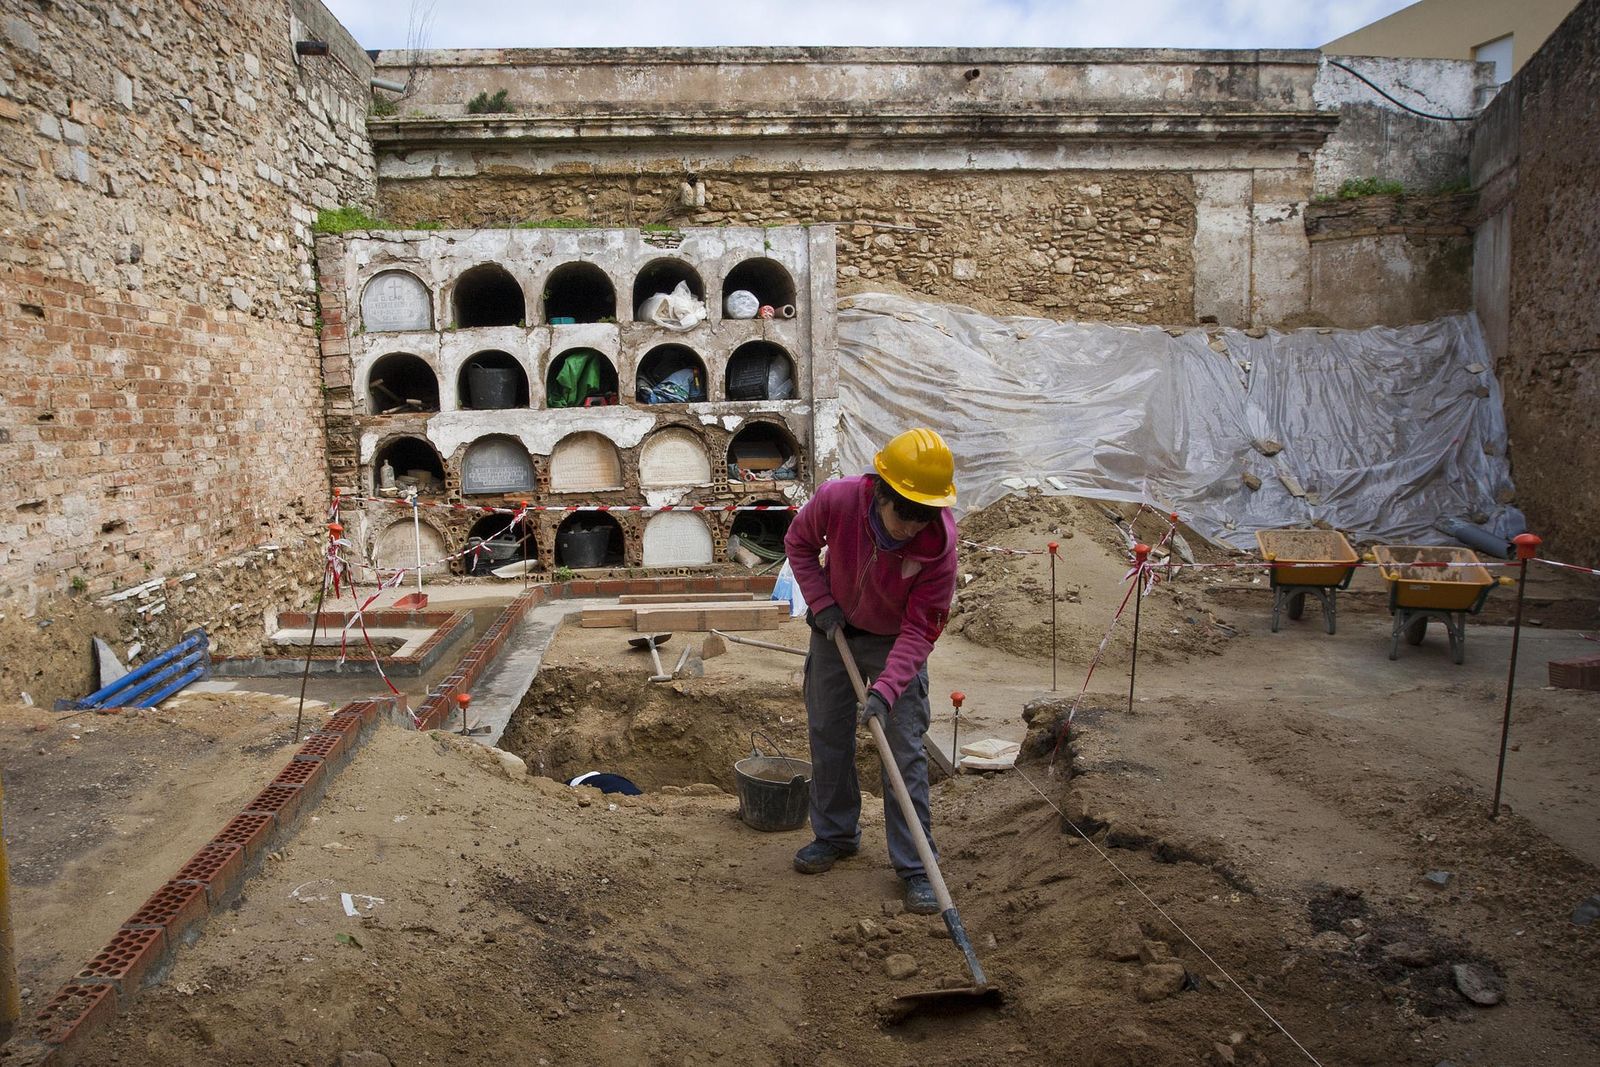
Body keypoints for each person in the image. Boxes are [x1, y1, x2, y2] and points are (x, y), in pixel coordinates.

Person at [782, 428, 959, 916]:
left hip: (894, 644)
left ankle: (916, 867)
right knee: (827, 734)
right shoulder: (838, 500)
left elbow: (923, 629)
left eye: (923, 517)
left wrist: (886, 688)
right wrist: (821, 603)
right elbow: (798, 543)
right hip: (834, 631)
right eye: (904, 513)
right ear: (882, 490)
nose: (910, 528)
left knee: (904, 753)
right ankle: (836, 835)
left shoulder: (939, 546)